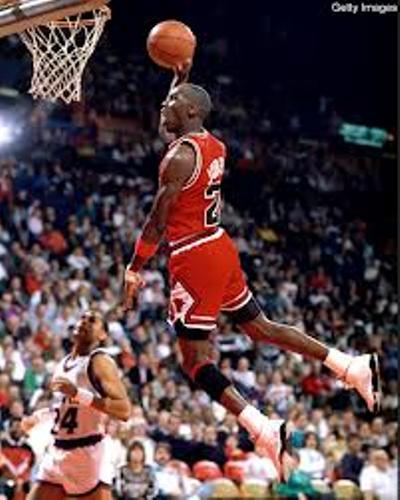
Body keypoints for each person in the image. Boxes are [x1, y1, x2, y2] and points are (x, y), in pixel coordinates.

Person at [123, 62, 381, 478]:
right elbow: (170, 129)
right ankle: (348, 365)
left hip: (194, 256)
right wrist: (178, 80)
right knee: (260, 327)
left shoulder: (180, 157)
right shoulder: (213, 146)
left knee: (195, 362)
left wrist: (135, 267)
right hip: (220, 245)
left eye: (172, 102)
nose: (163, 107)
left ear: (191, 111)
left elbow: (156, 221)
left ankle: (262, 429)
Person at [23, 310, 131, 500]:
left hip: (85, 452)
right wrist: (38, 417)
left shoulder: (100, 361)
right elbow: (64, 407)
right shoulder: (63, 363)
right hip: (56, 449)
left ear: (102, 335)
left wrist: (78, 393)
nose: (84, 322)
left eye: (92, 320)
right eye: (82, 318)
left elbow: (124, 410)